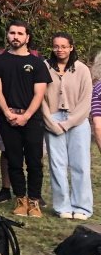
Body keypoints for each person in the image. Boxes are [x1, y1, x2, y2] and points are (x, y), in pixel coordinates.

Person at [0, 20, 51, 217]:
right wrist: (7, 113)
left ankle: (34, 201)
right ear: (8, 35)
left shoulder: (37, 63)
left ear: (27, 37)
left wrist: (26, 116)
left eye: (20, 33)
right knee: (13, 160)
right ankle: (20, 200)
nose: (16, 36)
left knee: (34, 161)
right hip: (8, 117)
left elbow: (39, 94)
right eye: (12, 33)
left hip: (31, 118)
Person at [42, 32, 93, 220]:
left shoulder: (82, 69)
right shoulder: (45, 67)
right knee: (57, 165)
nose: (60, 50)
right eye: (56, 46)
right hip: (53, 119)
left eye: (64, 46)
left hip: (77, 120)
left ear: (71, 47)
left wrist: (69, 123)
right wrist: (50, 122)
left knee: (80, 164)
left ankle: (82, 207)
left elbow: (86, 101)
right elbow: (41, 98)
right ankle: (62, 206)